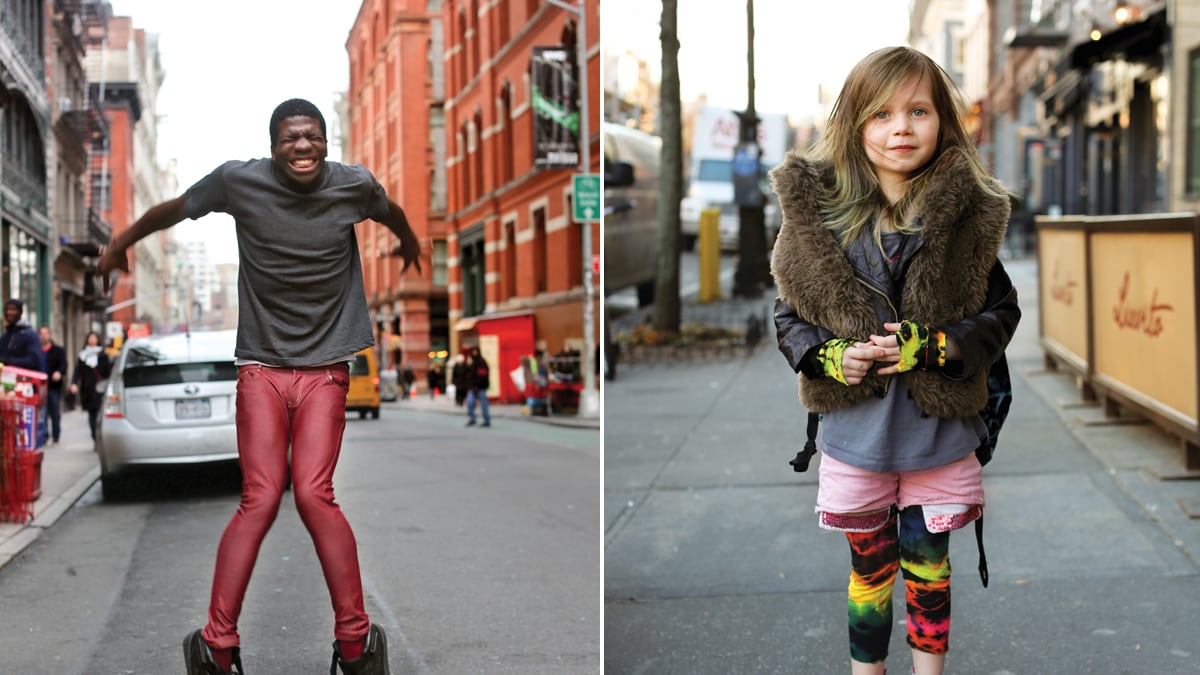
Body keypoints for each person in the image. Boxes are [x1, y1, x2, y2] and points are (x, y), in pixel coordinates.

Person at [98, 98, 422, 675]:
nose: (303, 147)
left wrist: (410, 242)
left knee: (314, 494)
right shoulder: (237, 181)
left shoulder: (354, 185)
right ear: (273, 145)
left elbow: (390, 210)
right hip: (261, 371)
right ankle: (216, 646)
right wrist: (123, 240)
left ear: (326, 140)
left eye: (313, 136)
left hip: (325, 369)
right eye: (291, 138)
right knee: (261, 498)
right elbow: (173, 211)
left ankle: (357, 645)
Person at [769, 47, 1020, 675]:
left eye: (918, 110)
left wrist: (934, 348)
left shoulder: (969, 219)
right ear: (853, 125)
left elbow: (1001, 315)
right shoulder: (819, 224)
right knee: (869, 572)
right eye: (880, 114)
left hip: (938, 438)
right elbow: (789, 317)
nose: (900, 127)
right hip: (858, 438)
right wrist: (829, 357)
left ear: (944, 122)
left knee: (930, 568)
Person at [69, 331, 111, 441]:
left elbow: (107, 371)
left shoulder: (103, 355)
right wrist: (74, 383)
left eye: (94, 338)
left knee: (98, 412)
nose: (92, 340)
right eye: (90, 338)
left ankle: (99, 436)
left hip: (99, 388)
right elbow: (77, 371)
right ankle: (94, 436)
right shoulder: (83, 355)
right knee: (91, 413)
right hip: (87, 389)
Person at [39, 326, 69, 445]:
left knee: (54, 412)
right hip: (39, 387)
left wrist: (59, 372)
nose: (43, 336)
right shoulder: (36, 351)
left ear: (50, 335)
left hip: (53, 387)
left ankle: (56, 435)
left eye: (46, 333)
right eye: (41, 334)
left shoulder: (57, 350)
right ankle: (44, 435)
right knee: (42, 413)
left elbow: (64, 364)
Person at [0, 299, 41, 371]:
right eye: (7, 309)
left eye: (13, 309)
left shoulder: (30, 335)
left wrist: (9, 361)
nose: (9, 312)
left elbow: (34, 361)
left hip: (25, 380)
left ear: (20, 312)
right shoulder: (5, 336)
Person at [464, 345, 490, 428]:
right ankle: (472, 418)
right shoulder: (471, 362)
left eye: (476, 351)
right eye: (473, 351)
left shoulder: (481, 361)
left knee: (483, 404)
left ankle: (486, 420)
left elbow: (483, 375)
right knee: (470, 402)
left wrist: (477, 384)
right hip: (472, 387)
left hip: (480, 387)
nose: (474, 353)